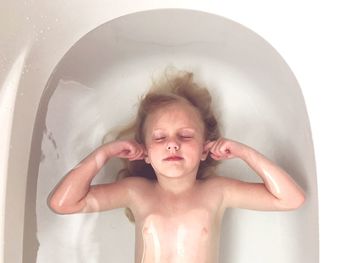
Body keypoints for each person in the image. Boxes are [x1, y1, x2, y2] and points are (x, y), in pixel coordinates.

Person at [48, 69, 305, 263]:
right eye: (160, 138)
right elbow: (63, 203)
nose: (172, 145)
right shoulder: (136, 192)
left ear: (206, 148)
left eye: (185, 136)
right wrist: (105, 153)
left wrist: (243, 152)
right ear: (145, 152)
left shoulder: (217, 192)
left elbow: (290, 199)